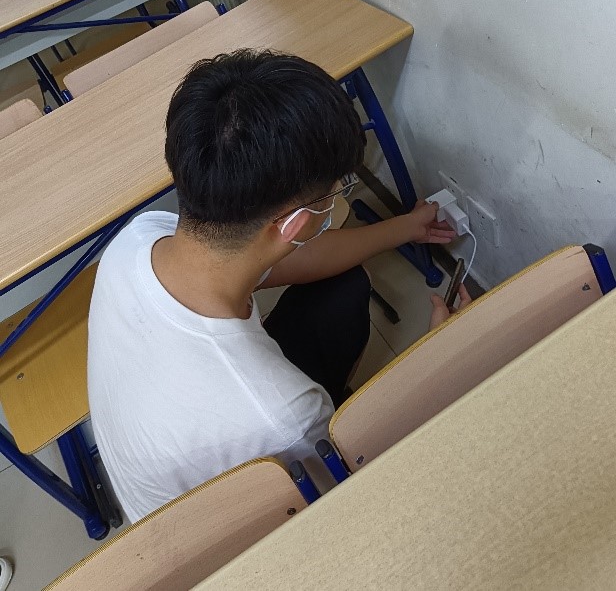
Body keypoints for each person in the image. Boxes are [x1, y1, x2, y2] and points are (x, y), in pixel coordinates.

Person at [88, 50, 468, 522]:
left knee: (344, 288)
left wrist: (403, 229)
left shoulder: (140, 239)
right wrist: (441, 356)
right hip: (229, 537)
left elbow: (293, 259)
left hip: (172, 442)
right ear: (295, 223)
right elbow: (365, 494)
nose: (337, 200)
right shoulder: (282, 417)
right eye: (336, 192)